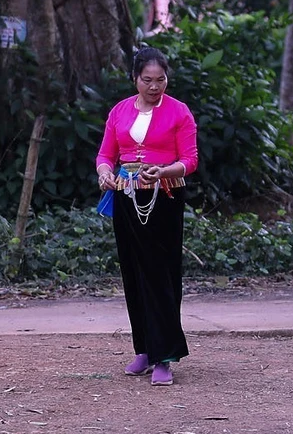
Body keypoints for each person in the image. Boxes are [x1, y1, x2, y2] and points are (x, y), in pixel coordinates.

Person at [96, 47, 198, 387]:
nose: (155, 87)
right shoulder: (120, 111)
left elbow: (190, 160)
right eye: (147, 80)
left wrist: (164, 169)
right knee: (133, 271)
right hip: (126, 196)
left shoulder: (180, 113)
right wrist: (104, 173)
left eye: (161, 80)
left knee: (160, 274)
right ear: (135, 79)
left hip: (164, 197)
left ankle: (164, 356)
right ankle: (143, 347)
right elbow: (106, 154)